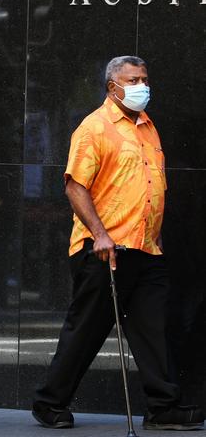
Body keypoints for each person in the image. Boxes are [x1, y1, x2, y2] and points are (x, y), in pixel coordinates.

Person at [32, 56, 204, 431]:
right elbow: (75, 185)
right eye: (133, 79)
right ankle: (49, 403)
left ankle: (162, 408)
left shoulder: (147, 127)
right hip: (104, 250)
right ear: (113, 86)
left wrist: (154, 230)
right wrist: (100, 233)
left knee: (154, 330)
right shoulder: (94, 127)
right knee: (87, 331)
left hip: (145, 249)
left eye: (144, 78)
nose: (142, 85)